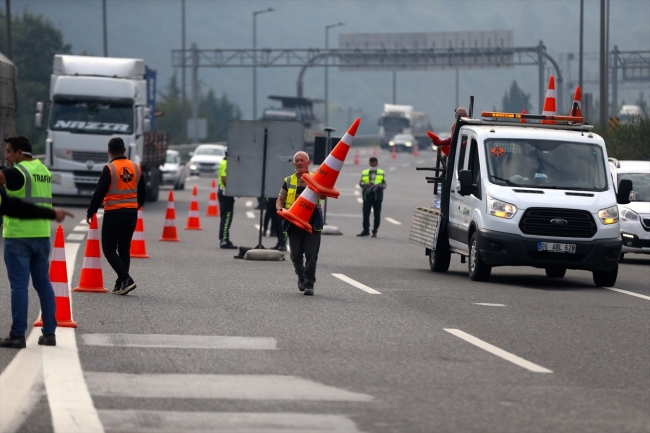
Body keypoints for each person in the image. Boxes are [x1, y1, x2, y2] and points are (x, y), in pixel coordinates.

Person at [0, 135, 74, 349]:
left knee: (19, 286)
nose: (6, 156)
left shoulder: (19, 171)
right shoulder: (43, 170)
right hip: (42, 235)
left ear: (20, 153)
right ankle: (49, 333)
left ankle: (17, 335)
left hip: (18, 237)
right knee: (43, 284)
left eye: (8, 151)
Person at [86, 137, 145, 295]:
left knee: (109, 249)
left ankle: (126, 279)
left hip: (113, 212)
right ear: (125, 150)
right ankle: (120, 283)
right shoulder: (136, 168)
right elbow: (143, 194)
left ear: (109, 152)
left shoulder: (110, 168)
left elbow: (99, 192)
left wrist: (91, 211)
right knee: (124, 249)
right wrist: (133, 207)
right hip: (131, 213)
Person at [276, 151, 323, 296]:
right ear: (293, 164)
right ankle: (301, 276)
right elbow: (280, 200)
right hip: (293, 223)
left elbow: (324, 195)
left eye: (302, 160)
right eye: (297, 160)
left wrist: (320, 188)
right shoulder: (289, 180)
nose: (299, 163)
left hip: (312, 223)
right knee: (295, 255)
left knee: (311, 255)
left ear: (308, 163)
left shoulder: (317, 178)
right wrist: (280, 210)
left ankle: (309, 283)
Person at [357, 157, 386, 237]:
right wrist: (367, 184)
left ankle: (375, 231)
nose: (373, 164)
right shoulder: (365, 172)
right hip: (367, 195)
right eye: (371, 162)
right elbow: (361, 183)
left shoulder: (381, 172)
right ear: (369, 163)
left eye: (374, 162)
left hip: (377, 196)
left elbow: (384, 185)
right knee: (366, 214)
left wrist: (378, 186)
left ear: (377, 163)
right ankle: (366, 230)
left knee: (377, 214)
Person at [218, 151, 237, 249]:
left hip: (223, 192)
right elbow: (224, 178)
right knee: (227, 217)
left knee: (224, 217)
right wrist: (234, 189)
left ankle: (224, 238)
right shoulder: (226, 163)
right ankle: (224, 239)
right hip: (226, 193)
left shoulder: (223, 161)